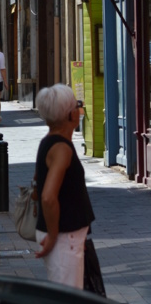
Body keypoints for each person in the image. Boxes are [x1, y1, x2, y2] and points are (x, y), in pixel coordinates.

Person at [34, 84, 94, 287]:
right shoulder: (61, 148)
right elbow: (48, 196)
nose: (79, 110)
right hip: (62, 235)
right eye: (78, 106)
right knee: (69, 302)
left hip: (67, 235)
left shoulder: (49, 142)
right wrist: (52, 235)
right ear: (70, 115)